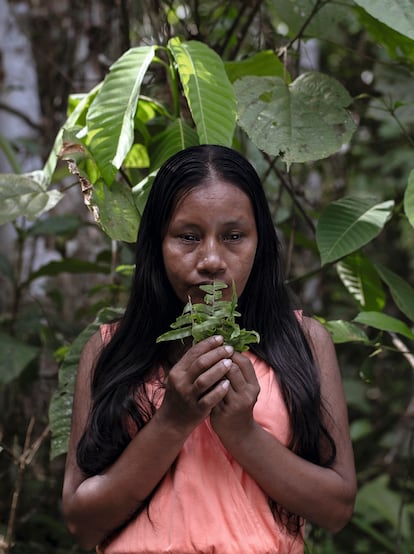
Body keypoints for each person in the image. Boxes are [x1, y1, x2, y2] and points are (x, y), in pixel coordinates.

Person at [62, 144, 357, 554]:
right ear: (156, 244)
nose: (213, 260)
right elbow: (82, 523)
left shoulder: (304, 341)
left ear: (260, 243)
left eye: (234, 236)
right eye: (188, 237)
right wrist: (173, 420)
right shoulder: (108, 349)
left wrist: (242, 432)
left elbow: (337, 509)